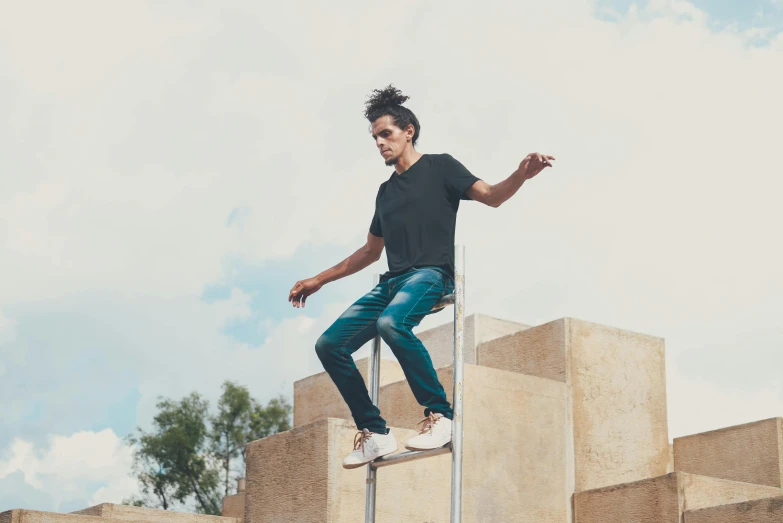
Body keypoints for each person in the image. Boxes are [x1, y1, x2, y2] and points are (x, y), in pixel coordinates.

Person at [288, 84, 555, 469]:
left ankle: (440, 415)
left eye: (386, 134)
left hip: (431, 275)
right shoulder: (385, 192)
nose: (380, 143)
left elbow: (492, 196)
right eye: (375, 137)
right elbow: (369, 251)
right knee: (329, 344)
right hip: (392, 282)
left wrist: (521, 174)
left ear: (408, 130)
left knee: (392, 323)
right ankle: (375, 433)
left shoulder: (441, 166)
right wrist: (319, 279)